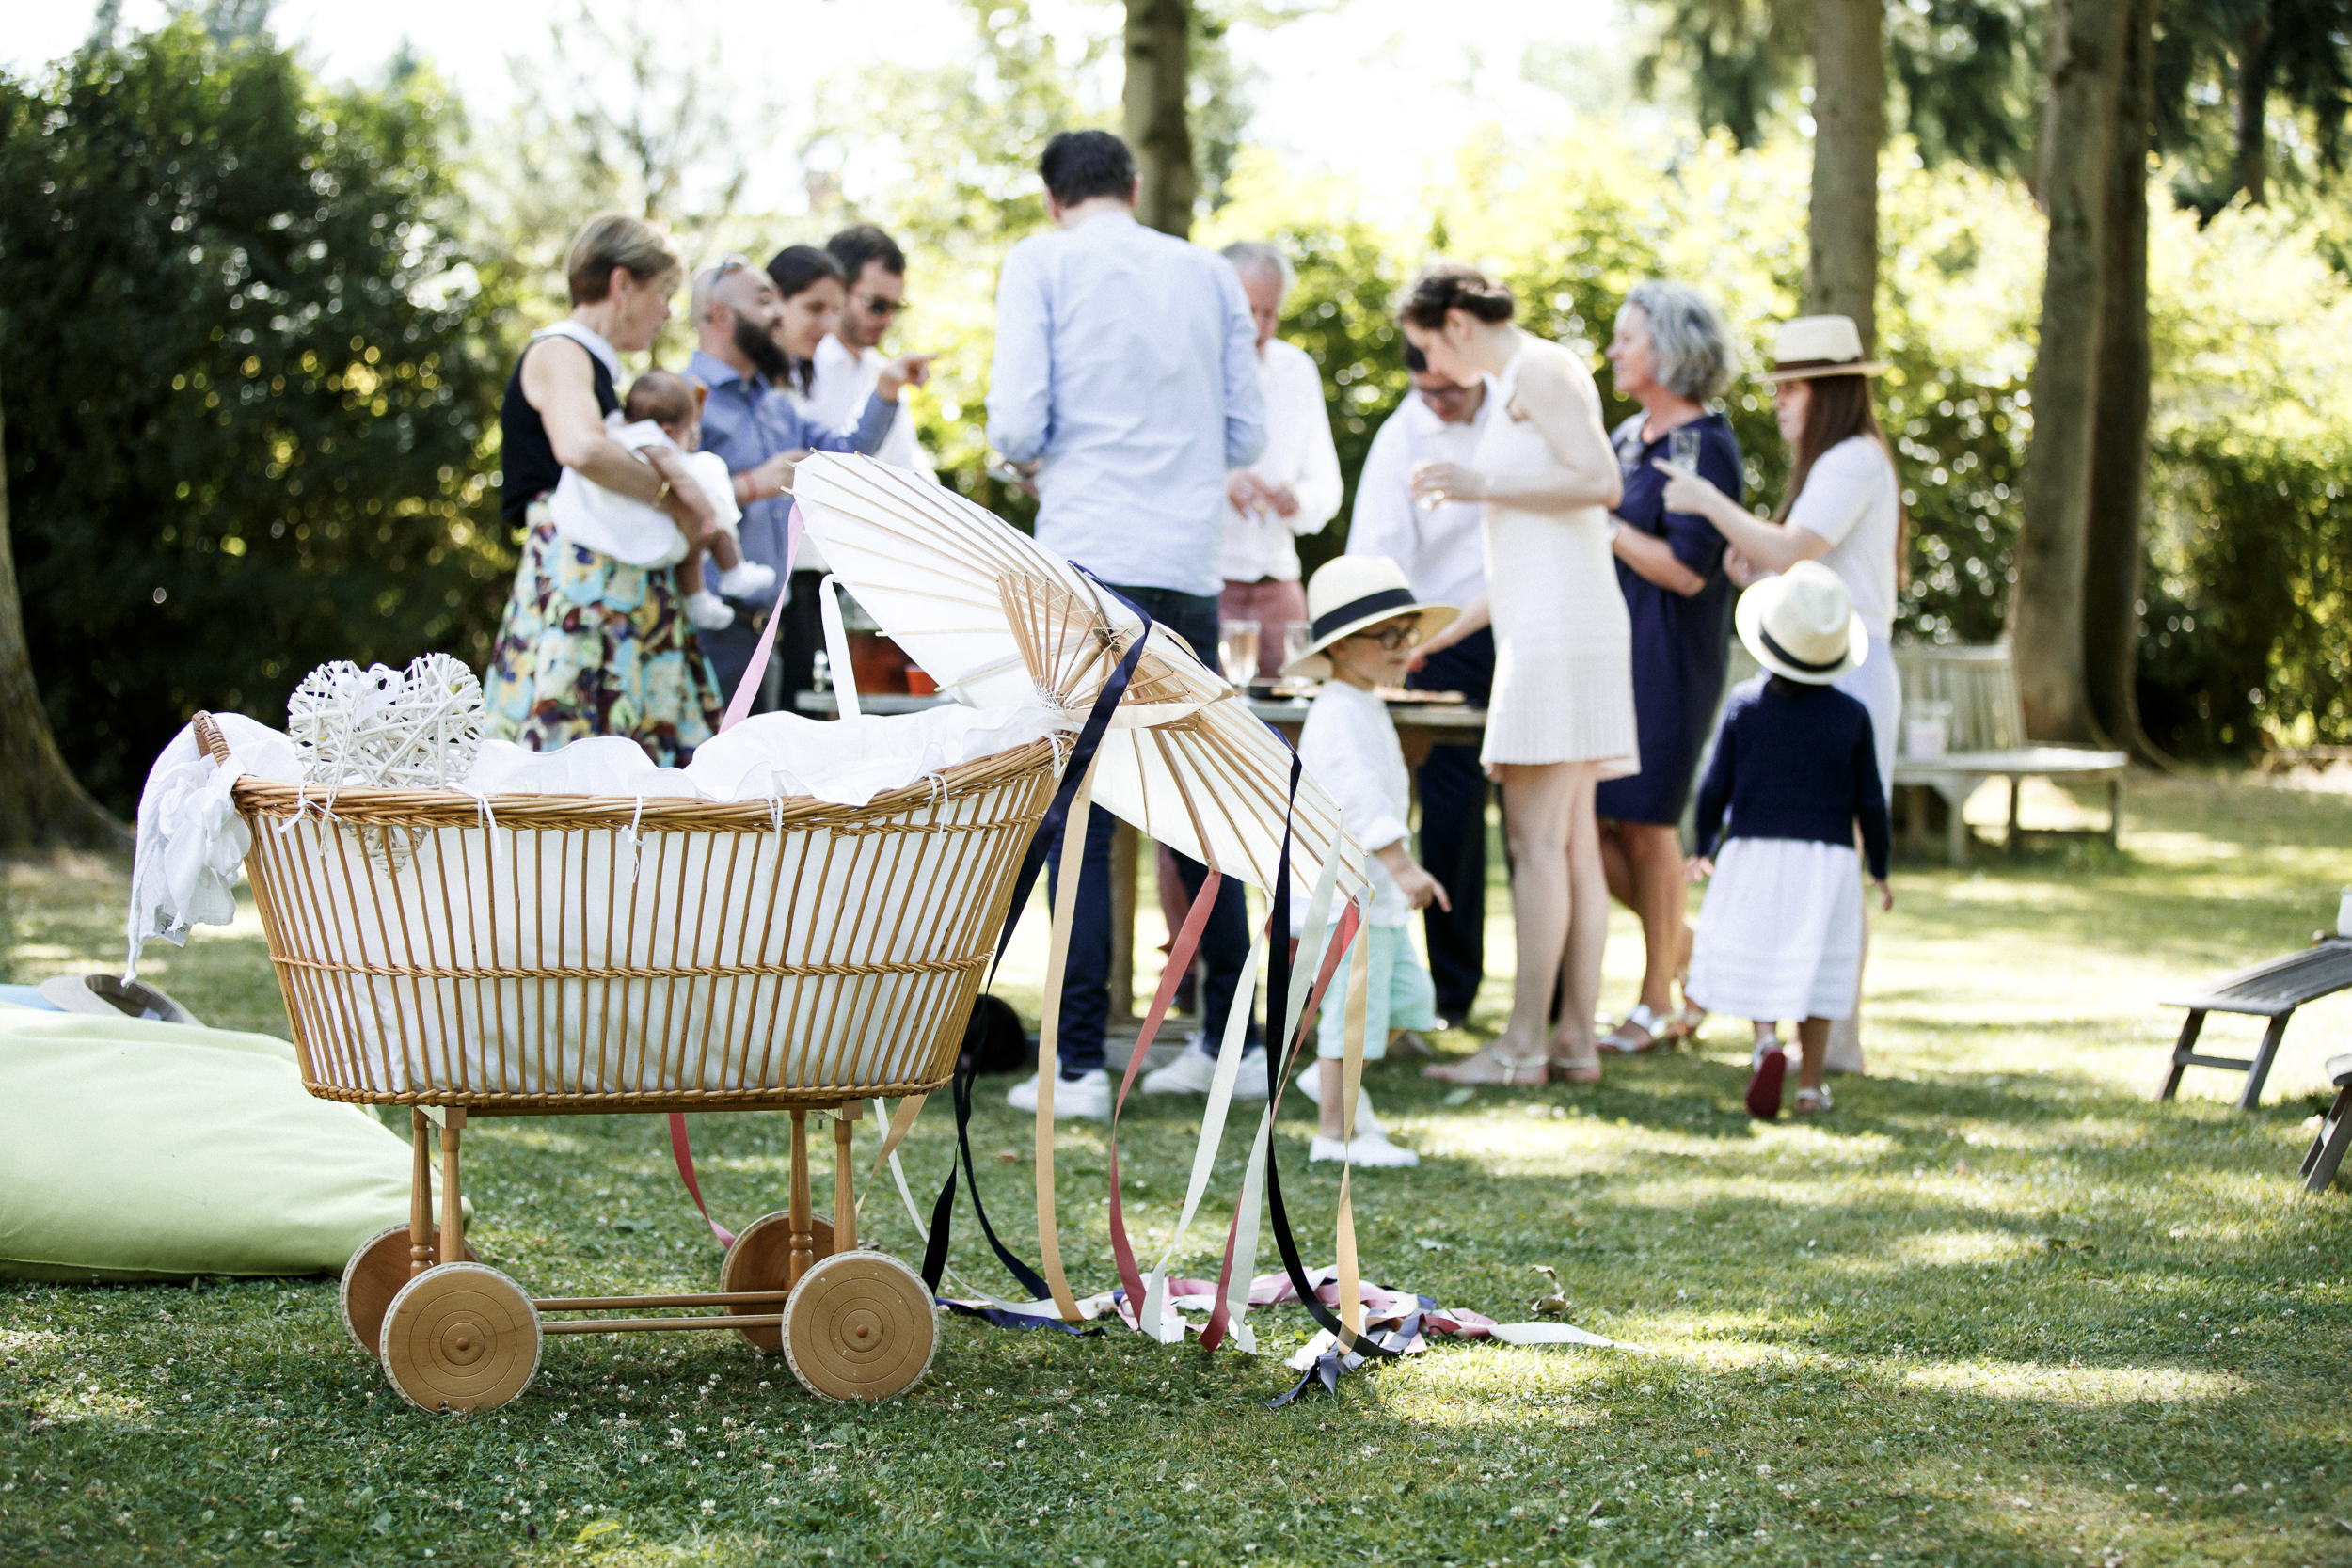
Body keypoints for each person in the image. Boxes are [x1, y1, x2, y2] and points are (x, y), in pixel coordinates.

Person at [984, 128, 1268, 1119]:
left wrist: (1030, 459)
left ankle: (1076, 1064)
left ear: (1053, 196)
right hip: (1188, 559)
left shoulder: (1041, 260)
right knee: (1199, 809)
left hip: (1089, 555)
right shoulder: (1205, 272)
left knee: (1083, 819)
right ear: (1133, 187)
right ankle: (1235, 1043)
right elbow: (1248, 433)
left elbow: (1016, 424)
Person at [1402, 260, 1633, 1086]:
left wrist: (1478, 482)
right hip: (1554, 623)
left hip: (1561, 637)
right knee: (1565, 844)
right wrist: (1437, 633)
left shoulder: (1538, 368)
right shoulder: (1521, 383)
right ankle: (1571, 1042)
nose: (1430, 366)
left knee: (1537, 843)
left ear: (1456, 322)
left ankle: (1522, 1046)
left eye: (1426, 345)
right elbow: (1524, 561)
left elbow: (1602, 482)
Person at [1656, 314, 1899, 1074]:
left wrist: (1707, 501)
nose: (1782, 403)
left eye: (1792, 389)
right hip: (1819, 661)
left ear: (1828, 393)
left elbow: (1797, 550)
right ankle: (1826, 1033)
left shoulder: (1854, 459)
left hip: (1847, 668)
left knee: (1840, 852)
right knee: (1820, 852)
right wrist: (1755, 576)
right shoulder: (1835, 463)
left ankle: (1839, 1036)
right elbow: (1796, 567)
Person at [484, 214, 724, 764]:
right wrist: (676, 502)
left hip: (615, 590)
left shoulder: (596, 368)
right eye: (663, 293)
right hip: (585, 588)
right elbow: (582, 448)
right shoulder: (560, 352)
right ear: (622, 285)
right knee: (579, 771)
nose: (668, 311)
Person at [1590, 281, 1744, 1054]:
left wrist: (1603, 521)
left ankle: (1655, 1004)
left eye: (1628, 337)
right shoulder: (1626, 438)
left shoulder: (1705, 447)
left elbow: (1688, 571)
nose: (1615, 350)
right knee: (1584, 822)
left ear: (1671, 349)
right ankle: (1681, 945)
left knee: (1647, 823)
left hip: (1670, 657)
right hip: (1608, 655)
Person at [1685, 562, 1892, 1117]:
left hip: (1754, 852)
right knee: (1819, 968)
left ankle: (1766, 1043)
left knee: (1764, 954)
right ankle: (1810, 1084)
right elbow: (1870, 799)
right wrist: (1882, 868)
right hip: (1827, 860)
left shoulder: (1745, 707)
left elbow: (1714, 785)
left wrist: (1703, 844)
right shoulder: (1852, 716)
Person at [684, 254, 931, 709]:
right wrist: (748, 485)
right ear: (720, 315)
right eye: (764, 301)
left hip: (766, 627)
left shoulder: (775, 404)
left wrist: (886, 389)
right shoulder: (682, 396)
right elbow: (664, 504)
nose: (779, 313)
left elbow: (839, 451)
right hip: (705, 629)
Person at [1279, 557, 1455, 1168]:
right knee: (1352, 1017)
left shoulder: (1366, 703)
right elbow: (1359, 797)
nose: (1404, 648)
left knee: (1408, 999)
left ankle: (1332, 1088)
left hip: (1374, 899)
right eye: (1389, 636)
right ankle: (1335, 1131)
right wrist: (1404, 866)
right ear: (1343, 645)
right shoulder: (1335, 714)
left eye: (1408, 634)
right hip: (1348, 897)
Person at [1345, 341, 1497, 1025]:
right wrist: (1397, 642)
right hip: (1432, 636)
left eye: (1449, 389)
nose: (1438, 403)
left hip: (1517, 624)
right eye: (1426, 390)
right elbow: (1377, 553)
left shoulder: (1518, 413)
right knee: (1441, 808)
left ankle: (1536, 993)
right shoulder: (1400, 434)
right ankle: (1440, 996)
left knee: (1518, 826)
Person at [548, 368, 776, 633]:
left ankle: (698, 601)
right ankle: (734, 572)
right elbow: (683, 481)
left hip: (627, 522)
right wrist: (708, 513)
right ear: (668, 430)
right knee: (713, 529)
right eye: (688, 432)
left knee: (687, 552)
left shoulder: (615, 428)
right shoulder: (655, 442)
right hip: (652, 520)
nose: (690, 439)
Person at [1216, 241, 1343, 680]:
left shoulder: (1297, 370)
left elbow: (1326, 485)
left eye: (1270, 313)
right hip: (1210, 578)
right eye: (1249, 310)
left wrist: (1299, 500)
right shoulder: (1192, 367)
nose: (1258, 326)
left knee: (1300, 714)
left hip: (1279, 579)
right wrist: (1223, 483)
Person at [806, 225, 935, 480]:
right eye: (878, 306)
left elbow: (910, 469)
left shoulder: (882, 371)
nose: (888, 320)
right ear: (838, 290)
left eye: (895, 308)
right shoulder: (801, 367)